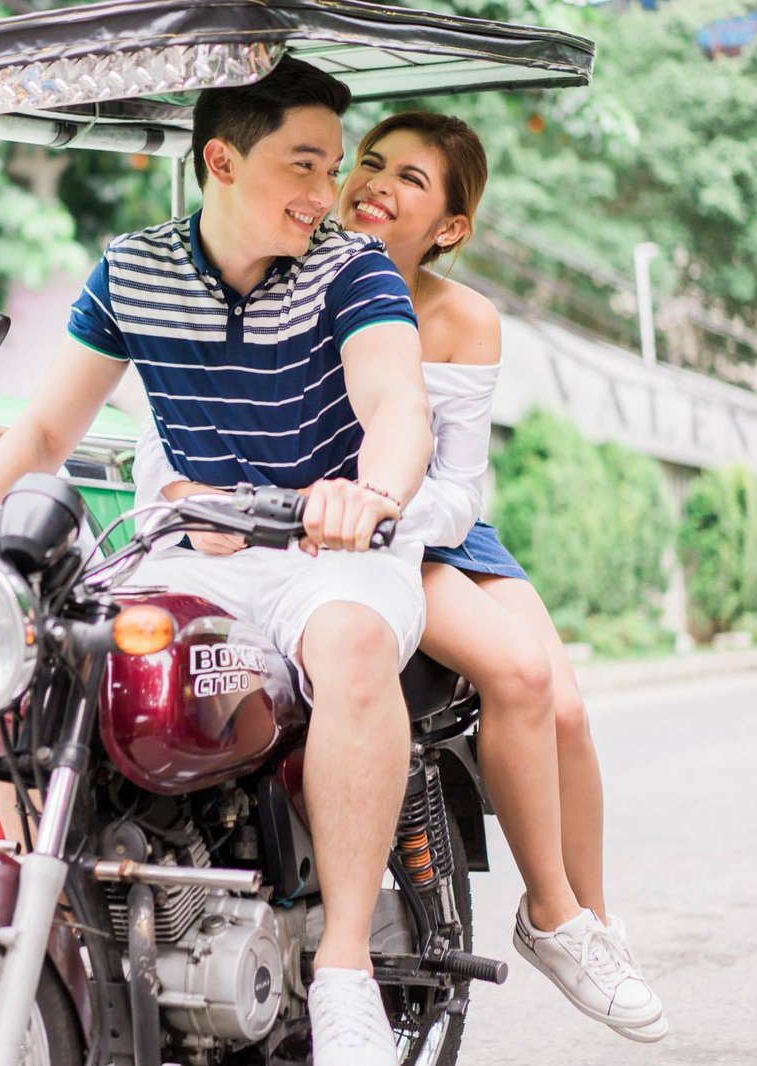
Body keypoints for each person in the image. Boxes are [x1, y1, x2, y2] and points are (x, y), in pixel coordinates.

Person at [0, 57, 434, 1066]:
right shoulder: (132, 268)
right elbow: (52, 422)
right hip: (192, 553)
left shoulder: (351, 270)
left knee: (355, 646)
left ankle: (348, 971)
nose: (328, 194)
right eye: (304, 165)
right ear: (221, 161)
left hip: (331, 553)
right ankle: (57, 943)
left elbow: (393, 404)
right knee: (44, 649)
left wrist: (370, 492)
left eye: (332, 167)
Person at [132, 110, 667, 1041]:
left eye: (410, 180)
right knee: (521, 673)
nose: (374, 183)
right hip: (294, 523)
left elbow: (452, 488)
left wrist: (370, 511)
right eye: (367, 164)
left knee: (557, 697)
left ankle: (573, 917)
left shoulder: (463, 319)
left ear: (450, 227)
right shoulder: (285, 262)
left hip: (422, 526)